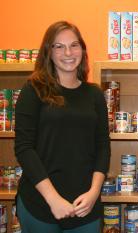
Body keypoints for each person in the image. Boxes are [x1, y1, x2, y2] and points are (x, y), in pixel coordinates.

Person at [14, 21, 111, 233]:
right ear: (48, 52)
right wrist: (53, 199)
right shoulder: (33, 90)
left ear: (82, 50)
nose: (68, 52)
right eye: (59, 46)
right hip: (39, 204)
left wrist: (94, 192)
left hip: (85, 206)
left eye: (74, 45)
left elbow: (103, 147)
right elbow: (24, 148)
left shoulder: (94, 95)